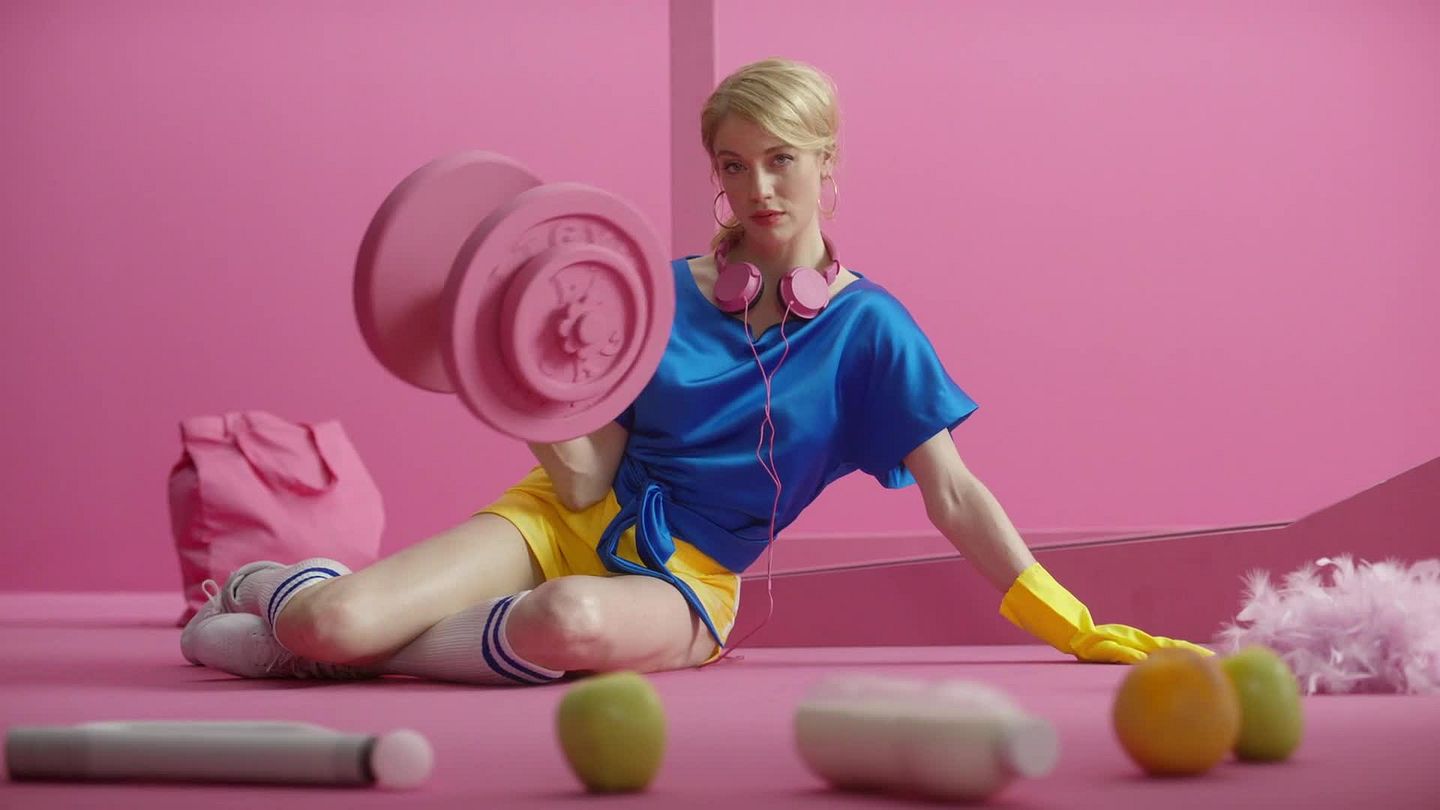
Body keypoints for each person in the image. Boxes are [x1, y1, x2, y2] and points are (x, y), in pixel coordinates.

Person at [181, 58, 1209, 685]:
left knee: (567, 620)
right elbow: (587, 476)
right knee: (331, 619)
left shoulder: (870, 332)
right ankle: (277, 606)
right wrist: (506, 363)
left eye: (782, 158)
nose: (759, 186)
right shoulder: (651, 294)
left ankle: (293, 643)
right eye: (733, 163)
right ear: (714, 171)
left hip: (688, 579)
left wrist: (1072, 625)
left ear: (828, 164)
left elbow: (955, 494)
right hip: (560, 519)